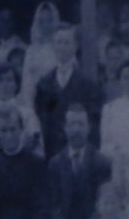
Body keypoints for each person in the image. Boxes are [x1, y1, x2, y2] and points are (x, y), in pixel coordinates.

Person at [35, 22, 103, 157]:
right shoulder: (45, 84)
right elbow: (44, 119)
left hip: (80, 151)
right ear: (53, 46)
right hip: (53, 151)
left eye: (67, 42)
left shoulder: (88, 85)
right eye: (59, 42)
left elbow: (93, 123)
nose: (62, 47)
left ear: (75, 46)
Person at [20, 1, 62, 101]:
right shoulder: (31, 51)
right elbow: (27, 82)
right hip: (36, 99)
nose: (45, 25)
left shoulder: (62, 47)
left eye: (49, 20)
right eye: (41, 22)